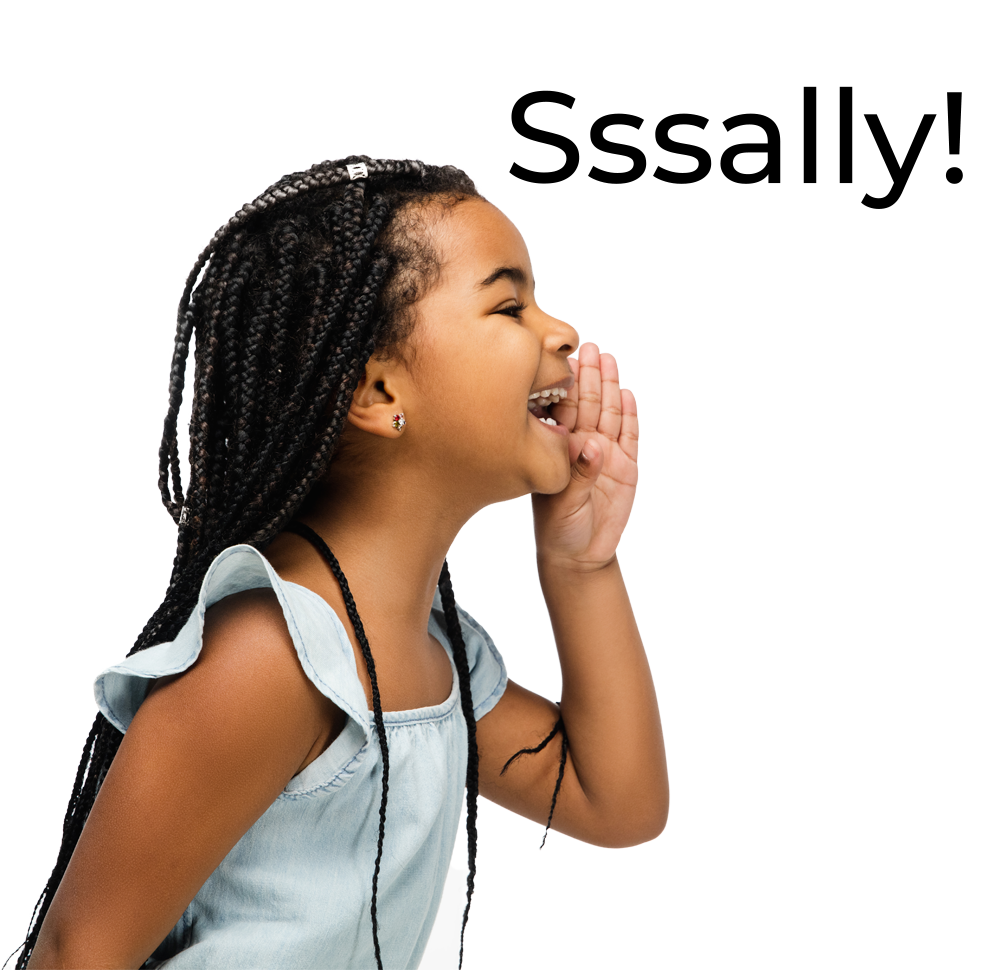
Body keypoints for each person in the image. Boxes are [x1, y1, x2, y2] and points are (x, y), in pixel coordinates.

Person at [13, 156, 669, 970]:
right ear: (378, 393)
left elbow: (616, 802)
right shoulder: (271, 657)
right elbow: (75, 956)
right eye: (509, 304)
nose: (561, 332)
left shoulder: (433, 652)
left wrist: (582, 566)